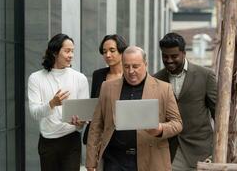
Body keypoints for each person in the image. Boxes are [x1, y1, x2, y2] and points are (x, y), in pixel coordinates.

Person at [85, 46, 183, 171]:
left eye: (135, 66)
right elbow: (96, 126)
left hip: (150, 159)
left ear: (145, 64)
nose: (131, 71)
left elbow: (178, 123)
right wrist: (91, 161)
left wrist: (160, 129)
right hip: (114, 160)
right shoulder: (107, 87)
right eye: (126, 66)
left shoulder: (164, 89)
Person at [154, 32, 217, 171]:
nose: (169, 60)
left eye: (174, 56)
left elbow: (217, 114)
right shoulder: (156, 79)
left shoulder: (205, 76)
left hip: (201, 150)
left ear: (184, 53)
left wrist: (218, 149)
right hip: (170, 150)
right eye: (165, 56)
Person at [28, 33, 89, 171]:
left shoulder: (80, 78)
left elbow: (84, 114)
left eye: (72, 51)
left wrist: (80, 124)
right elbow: (34, 113)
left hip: (71, 140)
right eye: (67, 51)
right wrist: (52, 103)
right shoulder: (36, 78)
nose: (71, 55)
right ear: (55, 52)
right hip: (47, 142)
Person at [82, 34, 128, 144]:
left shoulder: (130, 75)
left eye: (112, 50)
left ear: (122, 51)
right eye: (104, 51)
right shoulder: (98, 75)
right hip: (100, 134)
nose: (107, 55)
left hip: (123, 134)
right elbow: (94, 104)